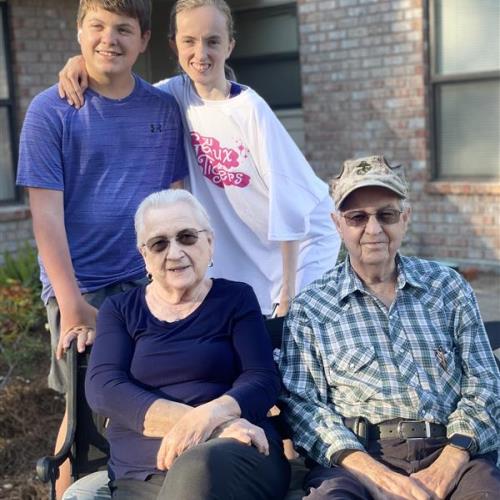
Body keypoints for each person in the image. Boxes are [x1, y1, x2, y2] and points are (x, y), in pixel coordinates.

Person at [57, 0, 341, 317]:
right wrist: (81, 63)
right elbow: (126, 90)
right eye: (189, 41)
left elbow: (289, 203)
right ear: (173, 45)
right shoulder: (172, 96)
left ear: (230, 45)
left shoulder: (249, 109)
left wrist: (288, 296)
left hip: (303, 242)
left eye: (213, 41)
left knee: (294, 329)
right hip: (248, 247)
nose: (200, 53)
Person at [16, 1, 187, 497]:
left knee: (154, 400)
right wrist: (71, 302)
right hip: (82, 286)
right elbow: (45, 216)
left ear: (144, 40)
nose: (109, 39)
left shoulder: (163, 109)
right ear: (79, 31)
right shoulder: (51, 110)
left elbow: (174, 198)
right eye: (97, 26)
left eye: (123, 29)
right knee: (86, 411)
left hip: (149, 284)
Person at [279, 155, 500, 500]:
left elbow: (485, 383)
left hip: (452, 451)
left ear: (405, 218)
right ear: (337, 224)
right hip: (354, 462)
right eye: (357, 217)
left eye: (386, 215)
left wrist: (451, 462)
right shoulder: (311, 307)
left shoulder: (448, 287)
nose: (373, 230)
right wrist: (374, 474)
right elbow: (304, 407)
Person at [83, 189, 290, 499]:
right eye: (159, 243)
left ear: (209, 242)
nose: (175, 253)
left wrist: (209, 417)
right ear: (144, 255)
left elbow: (261, 378)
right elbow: (104, 388)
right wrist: (209, 425)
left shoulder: (236, 298)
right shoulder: (120, 310)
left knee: (197, 466)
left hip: (234, 457)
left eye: (187, 237)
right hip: (144, 470)